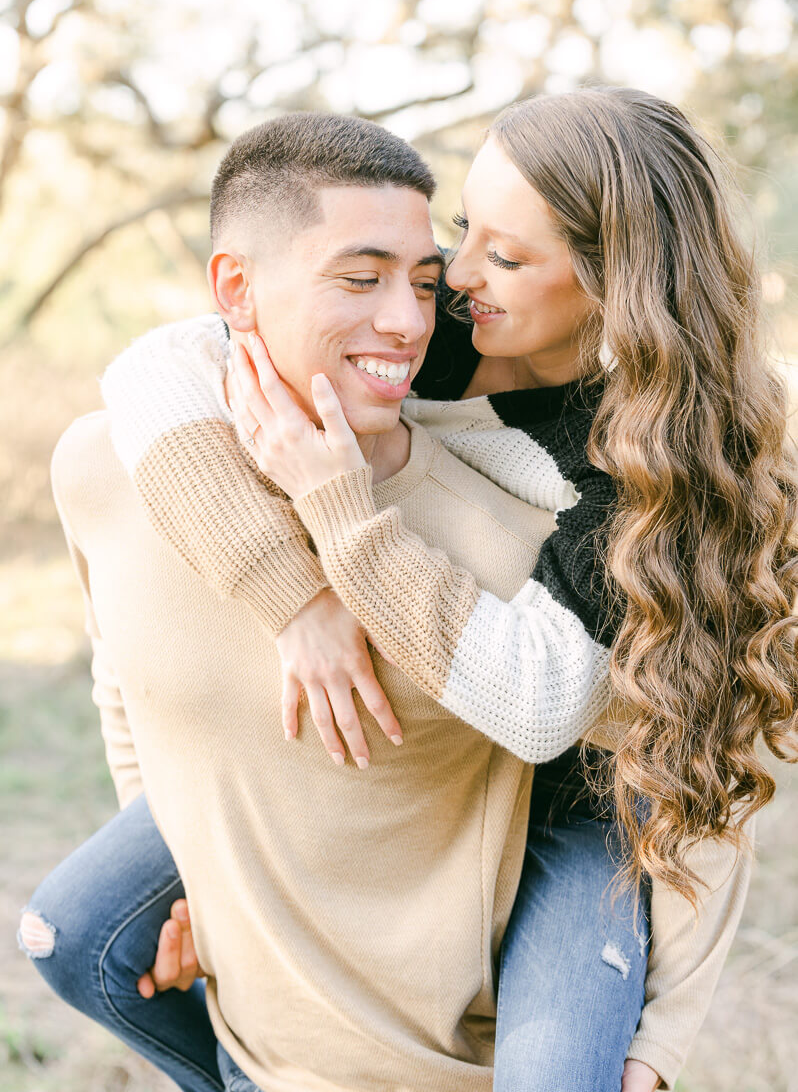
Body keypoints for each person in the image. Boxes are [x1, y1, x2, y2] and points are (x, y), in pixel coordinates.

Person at [18, 100, 787, 1089]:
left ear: (610, 289)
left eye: (502, 258)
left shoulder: (653, 478)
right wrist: (296, 601)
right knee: (75, 929)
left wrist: (661, 1045)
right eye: (465, 234)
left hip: (568, 799)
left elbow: (595, 725)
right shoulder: (445, 321)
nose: (451, 284)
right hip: (380, 745)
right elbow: (158, 366)